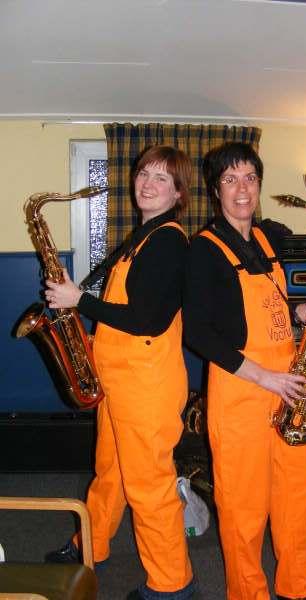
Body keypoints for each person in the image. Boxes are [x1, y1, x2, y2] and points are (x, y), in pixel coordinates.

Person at [183, 141, 306, 600]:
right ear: (216, 189)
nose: (242, 189)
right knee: (244, 508)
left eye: (250, 178)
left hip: (288, 384)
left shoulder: (264, 238)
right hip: (242, 389)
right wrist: (264, 377)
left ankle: (302, 588)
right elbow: (198, 332)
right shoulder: (203, 249)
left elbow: (267, 306)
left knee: (297, 494)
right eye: (230, 179)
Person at [44, 145, 197, 600]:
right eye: (144, 173)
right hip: (122, 380)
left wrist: (80, 301)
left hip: (146, 388)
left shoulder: (167, 241)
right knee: (109, 472)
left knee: (148, 485)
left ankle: (171, 585)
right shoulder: (144, 237)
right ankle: (92, 544)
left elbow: (147, 320)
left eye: (162, 178)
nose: (147, 183)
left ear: (179, 193)